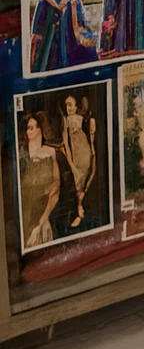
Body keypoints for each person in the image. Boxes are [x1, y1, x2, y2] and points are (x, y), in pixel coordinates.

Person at [19, 113, 61, 252]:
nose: (29, 131)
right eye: (28, 128)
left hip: (44, 208)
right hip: (26, 208)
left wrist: (44, 217)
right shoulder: (22, 154)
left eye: (33, 127)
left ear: (40, 129)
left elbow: (57, 183)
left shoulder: (50, 151)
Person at [60, 92, 96, 230]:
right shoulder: (65, 120)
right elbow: (66, 143)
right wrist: (71, 163)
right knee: (77, 184)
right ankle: (79, 211)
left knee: (83, 182)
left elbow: (90, 132)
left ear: (76, 106)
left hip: (83, 151)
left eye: (70, 104)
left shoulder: (82, 118)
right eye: (66, 105)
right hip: (74, 154)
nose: (68, 107)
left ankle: (80, 211)